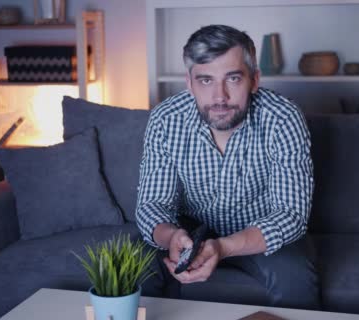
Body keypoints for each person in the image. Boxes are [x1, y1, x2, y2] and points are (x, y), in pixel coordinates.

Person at [136, 24, 319, 309]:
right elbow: (152, 204)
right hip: (188, 230)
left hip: (259, 232)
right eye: (206, 80)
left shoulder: (283, 119)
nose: (219, 97)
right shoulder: (165, 119)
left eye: (232, 79)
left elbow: (291, 214)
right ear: (190, 82)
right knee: (135, 266)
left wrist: (223, 247)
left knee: (297, 279)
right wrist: (171, 236)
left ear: (254, 80)